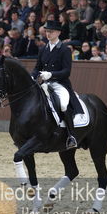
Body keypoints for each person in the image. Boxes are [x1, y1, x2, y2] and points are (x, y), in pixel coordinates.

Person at [31, 20, 83, 149]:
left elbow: (66, 72)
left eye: (51, 31)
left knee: (63, 104)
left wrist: (51, 74)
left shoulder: (64, 50)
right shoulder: (43, 49)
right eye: (47, 31)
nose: (48, 34)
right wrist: (33, 75)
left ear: (58, 33)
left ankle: (72, 136)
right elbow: (37, 67)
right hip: (44, 83)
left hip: (60, 83)